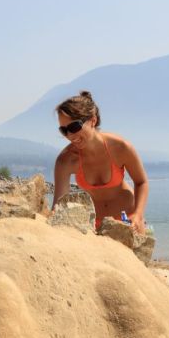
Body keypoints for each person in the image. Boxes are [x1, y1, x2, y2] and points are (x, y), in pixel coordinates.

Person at [52, 91, 149, 234]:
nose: (70, 135)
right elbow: (59, 206)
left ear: (93, 120)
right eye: (64, 130)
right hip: (95, 227)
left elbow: (141, 182)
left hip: (128, 222)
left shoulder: (120, 147)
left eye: (74, 127)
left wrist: (138, 215)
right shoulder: (65, 161)